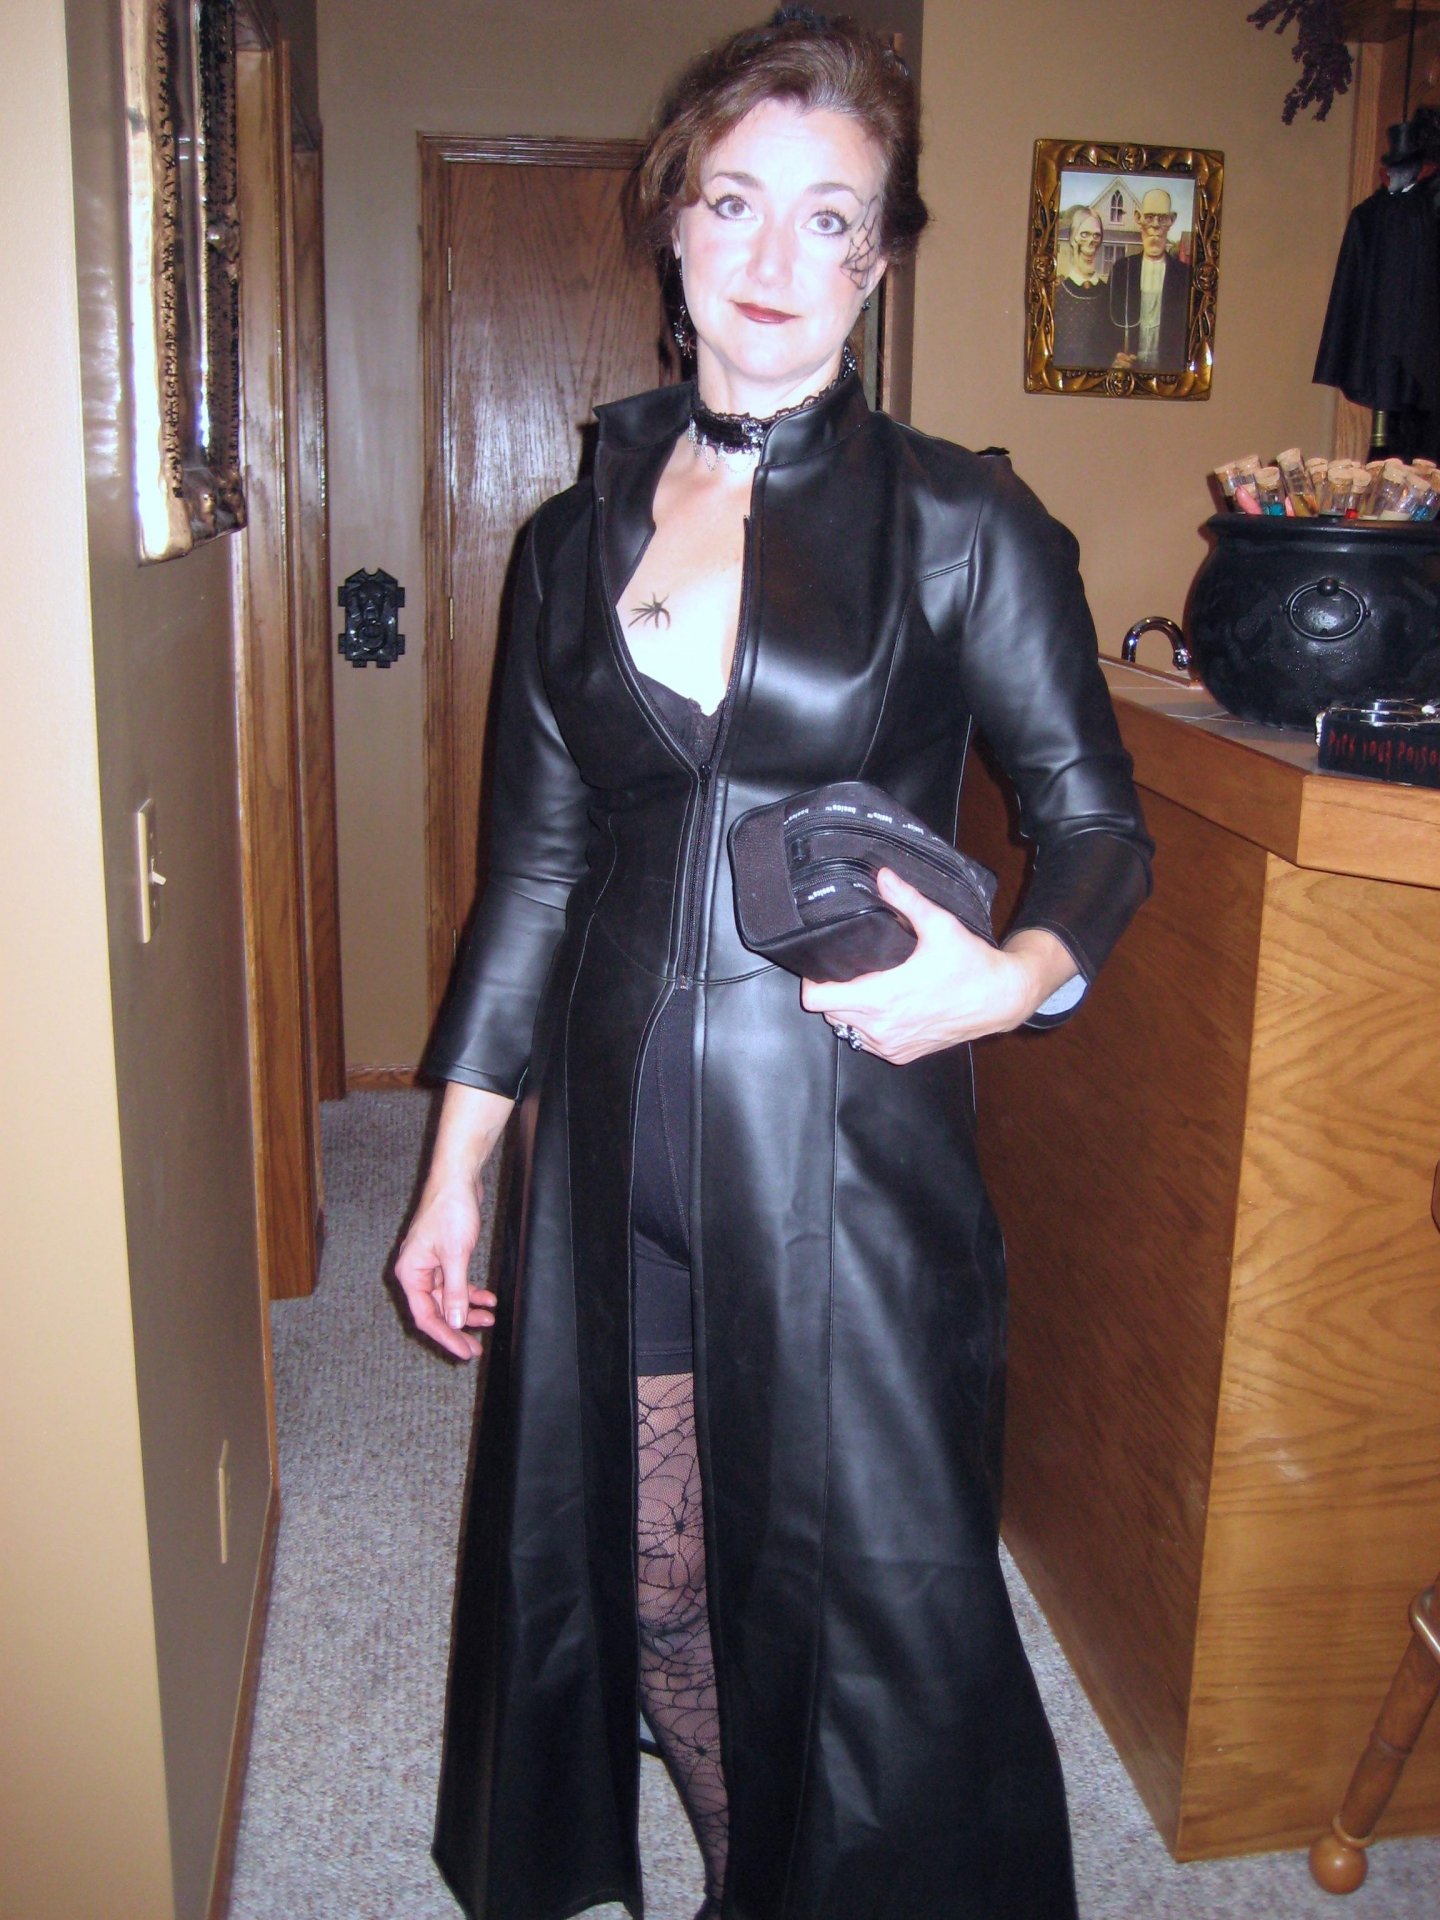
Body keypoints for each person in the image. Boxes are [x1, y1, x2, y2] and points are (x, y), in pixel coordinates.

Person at [395, 14, 1152, 1920]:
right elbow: (535, 872)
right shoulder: (565, 543)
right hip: (611, 1145)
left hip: (846, 1146)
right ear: (673, 226)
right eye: (734, 202)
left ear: (875, 263)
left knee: (871, 1611)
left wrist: (1017, 976)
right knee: (648, 1572)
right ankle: (747, 1876)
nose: (771, 256)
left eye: (829, 219)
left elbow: (1095, 824)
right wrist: (456, 1172)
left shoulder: (963, 520)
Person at [1108, 185, 1191, 372]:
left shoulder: (1184, 276)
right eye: (1149, 217)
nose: (1155, 226)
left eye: (1162, 218)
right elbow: (1105, 326)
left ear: (1172, 220)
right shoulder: (1122, 270)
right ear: (1138, 218)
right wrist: (1114, 357)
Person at [1051, 203, 1115, 366]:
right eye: (1084, 234)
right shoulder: (1056, 296)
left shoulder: (1112, 296)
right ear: (1072, 239)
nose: (1091, 242)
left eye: (1096, 236)